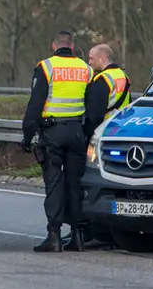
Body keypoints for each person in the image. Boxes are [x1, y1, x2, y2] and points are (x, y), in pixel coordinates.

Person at [21, 30, 93, 252]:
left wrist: (27, 136)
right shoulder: (86, 69)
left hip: (53, 132)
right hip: (78, 133)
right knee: (75, 184)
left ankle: (54, 236)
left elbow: (35, 105)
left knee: (54, 183)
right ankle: (78, 237)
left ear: (54, 46)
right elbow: (91, 105)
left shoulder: (46, 67)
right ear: (72, 47)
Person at [62, 43, 129, 251]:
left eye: (91, 59)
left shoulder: (101, 80)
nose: (89, 62)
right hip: (120, 135)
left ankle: (92, 233)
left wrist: (85, 137)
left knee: (90, 186)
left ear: (102, 59)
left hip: (101, 138)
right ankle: (112, 234)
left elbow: (94, 115)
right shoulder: (123, 77)